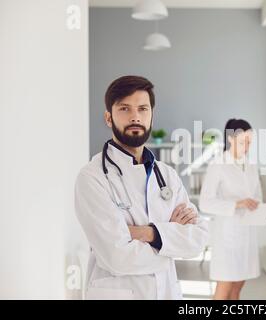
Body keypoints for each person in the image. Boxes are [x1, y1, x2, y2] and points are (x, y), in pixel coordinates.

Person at [74, 75, 208, 300]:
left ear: (151, 117)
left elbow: (199, 239)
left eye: (143, 109)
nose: (135, 116)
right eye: (125, 108)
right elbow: (117, 257)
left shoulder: (167, 175)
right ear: (109, 117)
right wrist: (170, 238)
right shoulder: (92, 177)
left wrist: (148, 233)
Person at [199, 119, 262, 300]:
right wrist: (237, 204)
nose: (248, 145)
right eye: (244, 141)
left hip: (247, 232)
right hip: (227, 234)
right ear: (231, 139)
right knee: (225, 283)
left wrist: (258, 205)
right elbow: (205, 202)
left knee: (238, 285)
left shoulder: (251, 164)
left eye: (250, 141)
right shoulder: (217, 165)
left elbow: (256, 194)